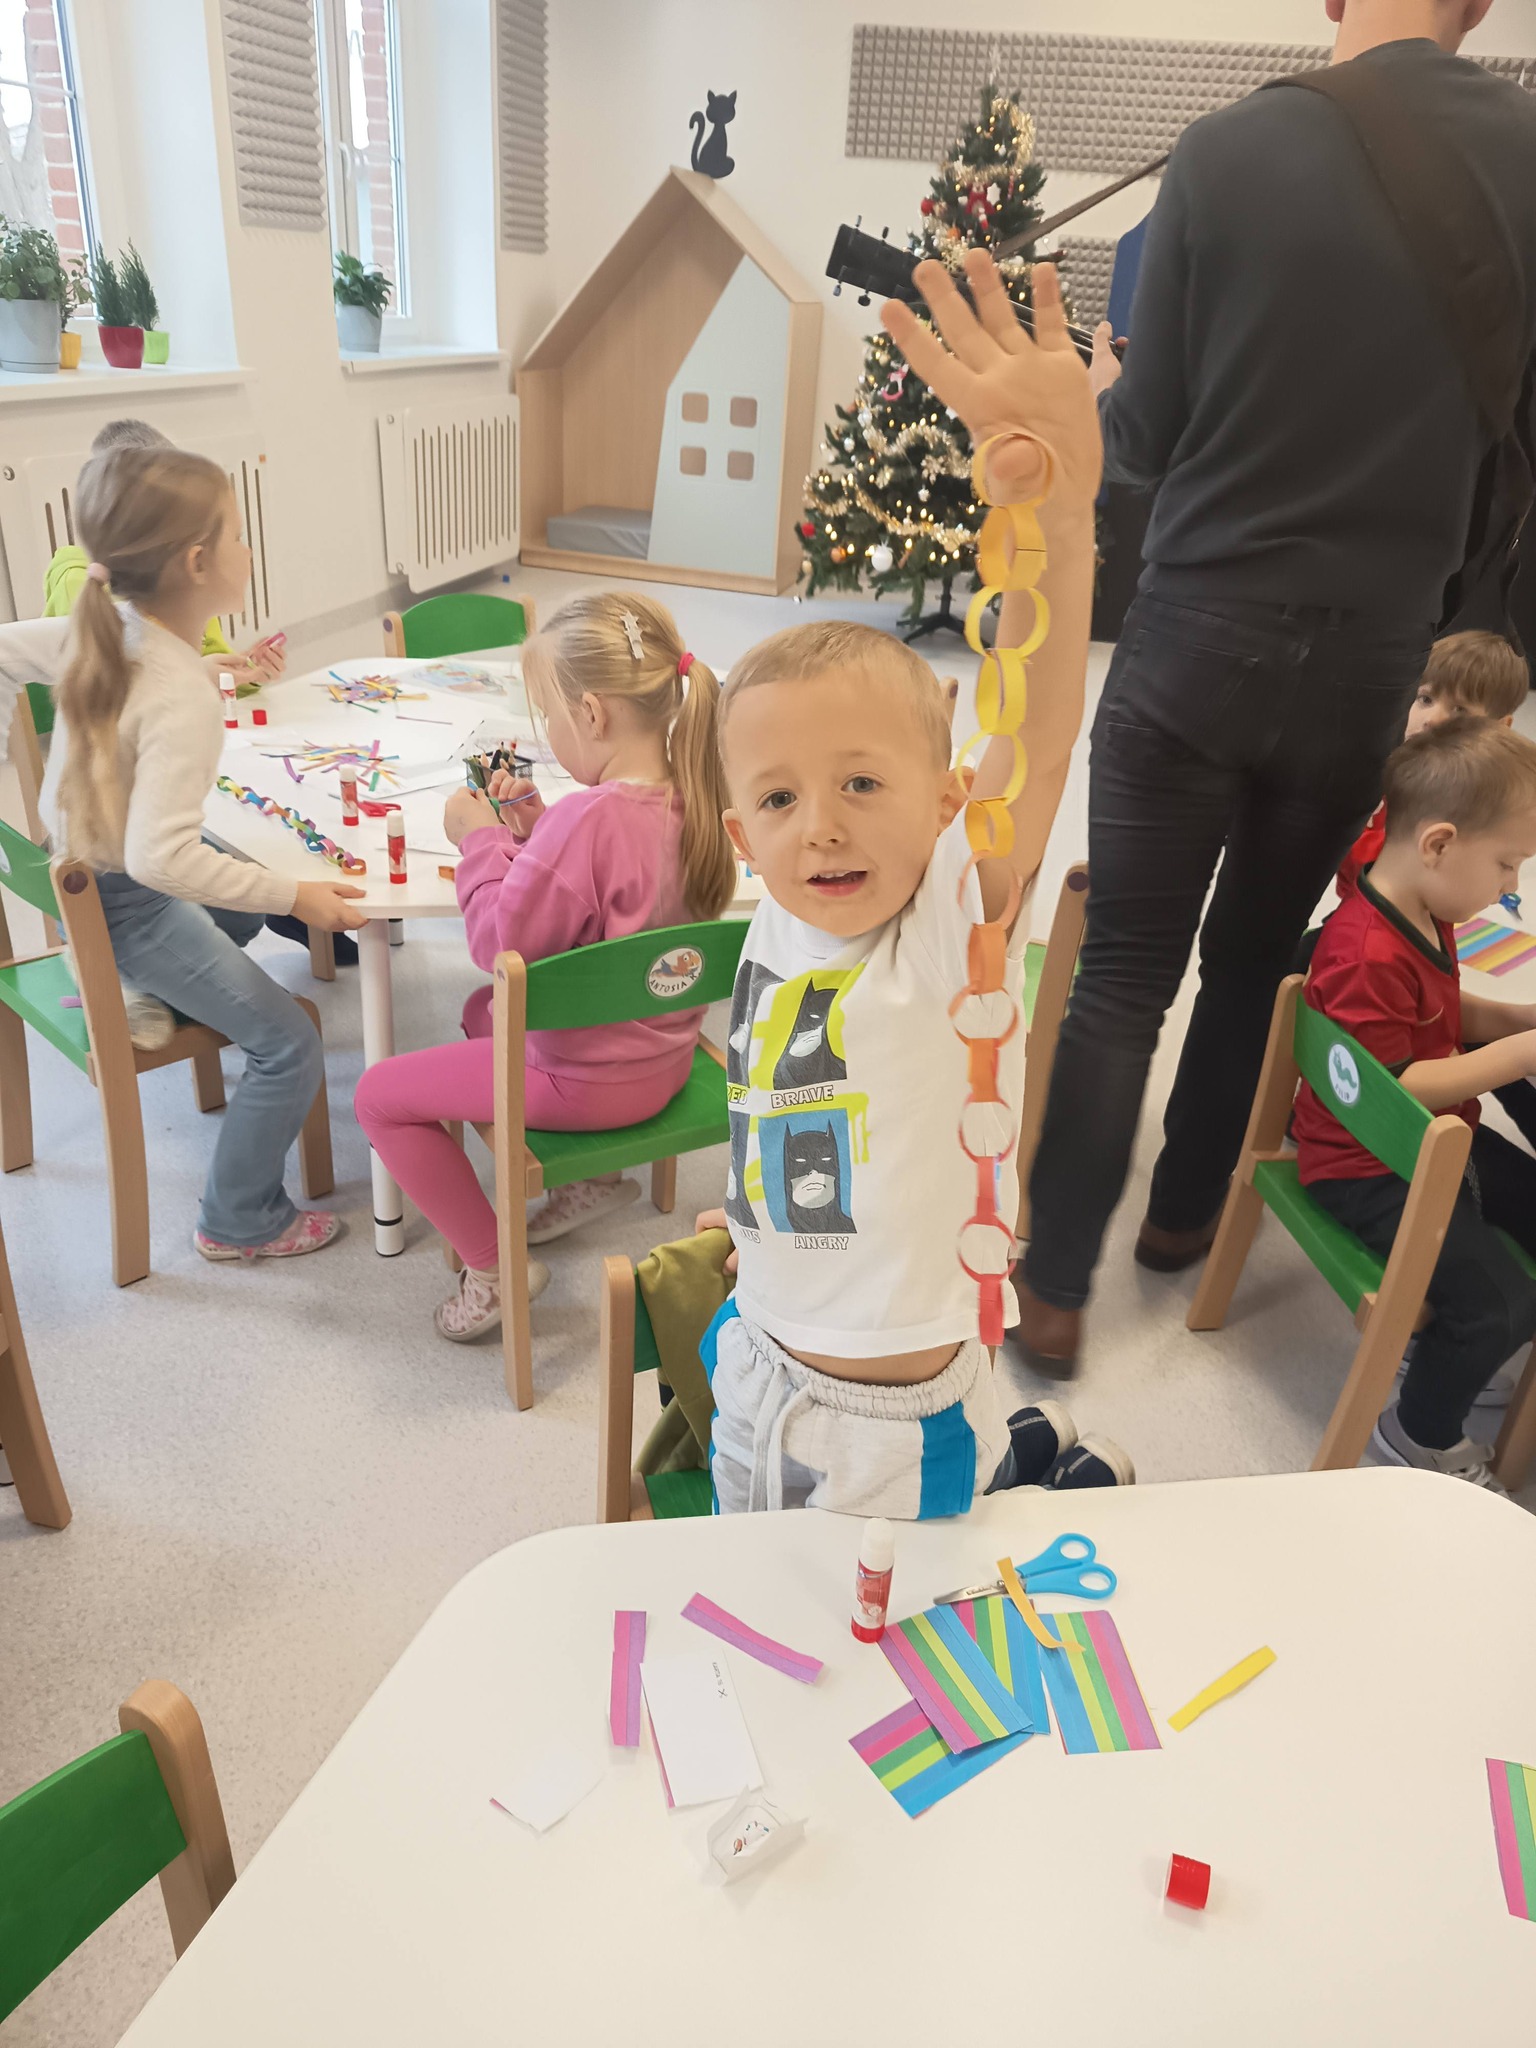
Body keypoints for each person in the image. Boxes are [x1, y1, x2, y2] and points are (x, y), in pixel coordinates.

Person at [1014, 0, 1536, 1374]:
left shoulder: (1228, 150)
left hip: (1199, 628)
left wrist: (1111, 388)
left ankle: (1054, 1286)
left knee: (1125, 969)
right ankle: (1184, 1215)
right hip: (1373, 651)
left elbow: (1140, 448)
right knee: (1254, 955)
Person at [703, 256, 1132, 1516]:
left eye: (862, 782)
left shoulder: (945, 918)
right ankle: (1027, 1452)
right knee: (750, 1572)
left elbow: (1037, 735)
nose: (822, 828)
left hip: (889, 1421)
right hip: (757, 1355)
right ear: (741, 833)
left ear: (947, 800)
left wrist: (1059, 516)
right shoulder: (780, 913)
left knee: (875, 1620)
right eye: (780, 800)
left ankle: (1023, 1467)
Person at [353, 591, 736, 1342]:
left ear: (591, 714)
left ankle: (495, 1269)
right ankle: (596, 1180)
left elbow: (497, 948)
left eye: (550, 718)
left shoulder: (585, 821)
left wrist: (480, 839)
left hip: (589, 1083)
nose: (550, 735)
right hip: (666, 1059)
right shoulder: (696, 792)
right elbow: (609, 907)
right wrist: (536, 833)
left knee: (378, 1098)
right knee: (478, 1014)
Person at [40, 444, 366, 1260]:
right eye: (237, 535)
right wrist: (296, 898)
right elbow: (162, 862)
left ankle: (128, 979)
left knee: (238, 890)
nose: (247, 550)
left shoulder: (110, 627)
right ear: (195, 563)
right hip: (128, 898)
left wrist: (201, 664)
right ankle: (238, 1218)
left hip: (86, 871)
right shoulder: (176, 690)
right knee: (289, 1042)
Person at [1294, 719, 1536, 1489]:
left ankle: (1464, 1352)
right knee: (1499, 1304)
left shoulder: (1427, 909)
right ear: (1437, 844)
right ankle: (1419, 1431)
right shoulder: (1366, 951)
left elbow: (1443, 1013)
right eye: (1506, 863)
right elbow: (1392, 1089)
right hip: (1364, 1164)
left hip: (1427, 1142)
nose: (1512, 886)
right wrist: (1521, 1055)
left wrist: (1518, 1019)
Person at [44, 420, 286, 695]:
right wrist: (195, 675)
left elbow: (211, 662)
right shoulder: (80, 582)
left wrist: (248, 670)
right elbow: (100, 694)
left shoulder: (184, 577)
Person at [1336, 630, 1529, 898]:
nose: (1432, 719)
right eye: (1425, 699)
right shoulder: (1380, 766)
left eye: (1459, 710)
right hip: (1360, 901)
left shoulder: (1481, 801)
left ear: (1499, 727)